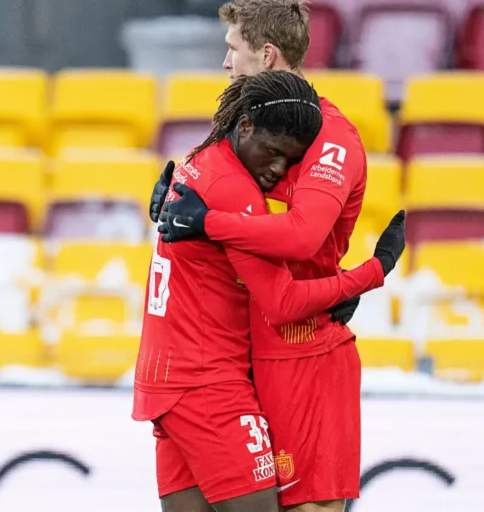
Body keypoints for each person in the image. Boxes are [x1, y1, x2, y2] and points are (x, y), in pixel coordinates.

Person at [149, 2, 404, 511]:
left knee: (308, 507)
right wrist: (171, 206)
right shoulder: (247, 127)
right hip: (245, 352)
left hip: (304, 346)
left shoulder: (331, 137)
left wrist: (205, 221)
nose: (225, 63)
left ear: (266, 54)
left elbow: (304, 235)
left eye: (233, 49)